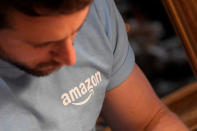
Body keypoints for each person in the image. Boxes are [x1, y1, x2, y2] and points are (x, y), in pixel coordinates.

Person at [0, 0, 188, 130]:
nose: (70, 58)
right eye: (44, 44)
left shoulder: (95, 9)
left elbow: (148, 122)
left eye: (77, 30)